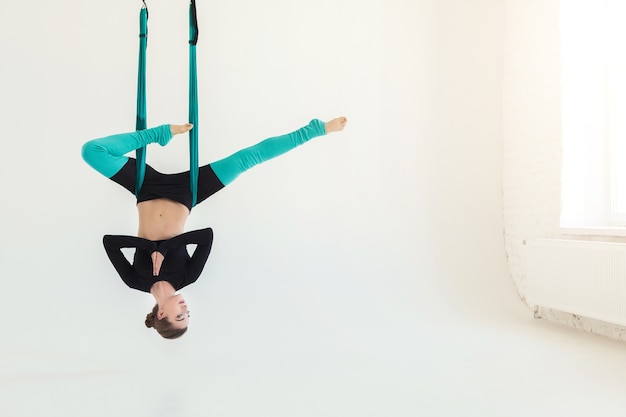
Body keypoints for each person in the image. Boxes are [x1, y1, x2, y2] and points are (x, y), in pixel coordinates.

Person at [81, 117, 348, 339]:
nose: (185, 308)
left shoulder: (135, 281)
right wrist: (163, 248)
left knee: (91, 151)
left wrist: (151, 247)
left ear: (160, 314)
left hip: (145, 188)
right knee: (248, 158)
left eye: (179, 315)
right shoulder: (189, 276)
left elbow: (109, 242)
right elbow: (205, 236)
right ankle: (316, 129)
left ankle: (158, 134)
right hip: (190, 192)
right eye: (187, 315)